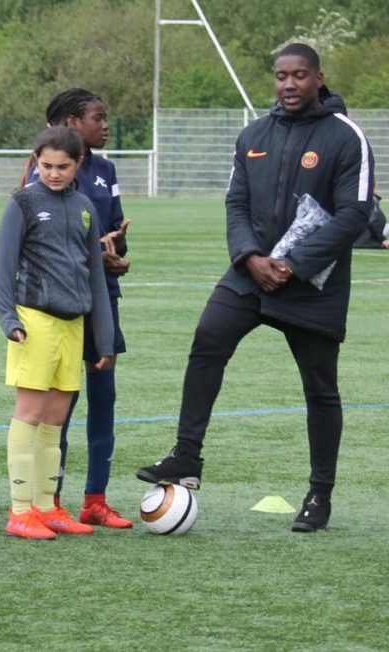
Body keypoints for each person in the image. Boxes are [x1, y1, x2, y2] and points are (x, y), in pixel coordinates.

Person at [136, 43, 374, 533]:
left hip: (312, 287)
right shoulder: (253, 136)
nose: (289, 85)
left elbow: (356, 213)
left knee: (320, 389)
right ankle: (187, 456)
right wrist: (249, 256)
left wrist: (294, 263)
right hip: (250, 275)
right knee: (208, 341)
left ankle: (319, 495)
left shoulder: (346, 137)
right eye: (281, 76)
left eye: (300, 75)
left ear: (318, 78)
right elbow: (235, 203)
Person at [0, 126, 114, 540]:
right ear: (35, 162)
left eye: (63, 166)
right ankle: (20, 510)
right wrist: (10, 318)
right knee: (29, 414)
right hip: (35, 323)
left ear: (78, 163)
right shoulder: (23, 203)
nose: (54, 173)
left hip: (73, 325)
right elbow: (3, 267)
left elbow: (95, 275)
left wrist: (104, 335)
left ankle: (48, 507)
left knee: (55, 420)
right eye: (46, 165)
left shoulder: (83, 206)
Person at [29, 88, 134, 529]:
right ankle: (48, 499)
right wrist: (94, 255)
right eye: (98, 117)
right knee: (61, 405)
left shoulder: (106, 169)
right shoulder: (42, 179)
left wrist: (116, 249)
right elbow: (35, 246)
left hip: (103, 298)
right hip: (60, 303)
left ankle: (96, 498)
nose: (105, 125)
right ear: (72, 124)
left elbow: (113, 230)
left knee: (104, 398)